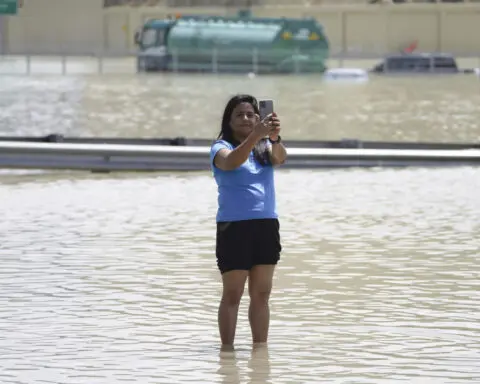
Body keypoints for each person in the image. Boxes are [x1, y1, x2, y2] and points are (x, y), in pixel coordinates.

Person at [209, 94, 288, 348]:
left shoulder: (264, 147)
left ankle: (260, 353)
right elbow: (231, 163)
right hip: (234, 227)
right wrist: (256, 134)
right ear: (229, 121)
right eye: (239, 115)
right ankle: (227, 353)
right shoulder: (220, 146)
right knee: (233, 294)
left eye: (251, 114)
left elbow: (281, 158)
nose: (246, 118)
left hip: (265, 225)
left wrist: (274, 138)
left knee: (262, 294)